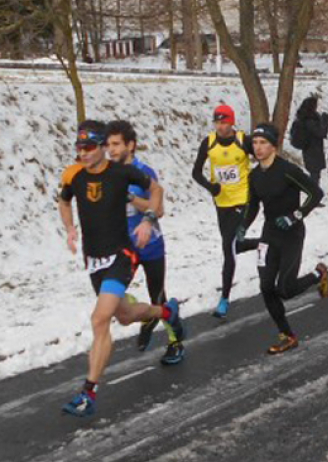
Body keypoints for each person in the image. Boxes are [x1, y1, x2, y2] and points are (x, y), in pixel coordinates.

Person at [59, 120, 185, 417]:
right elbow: (64, 202)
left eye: (89, 147)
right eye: (79, 148)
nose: (83, 153)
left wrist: (148, 219)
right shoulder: (73, 174)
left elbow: (156, 190)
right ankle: (166, 312)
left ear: (102, 147)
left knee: (100, 319)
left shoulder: (122, 173)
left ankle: (88, 393)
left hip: (121, 255)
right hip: (94, 260)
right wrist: (69, 228)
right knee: (125, 316)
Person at [237, 123, 328, 353]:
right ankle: (287, 335)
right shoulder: (255, 175)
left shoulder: (287, 170)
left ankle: (318, 274)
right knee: (267, 287)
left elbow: (315, 193)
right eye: (255, 143)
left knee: (285, 289)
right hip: (269, 234)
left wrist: (294, 216)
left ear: (273, 146)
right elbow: (253, 206)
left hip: (292, 233)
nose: (258, 148)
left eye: (263, 143)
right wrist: (242, 228)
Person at [105, 120, 184, 365]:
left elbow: (158, 210)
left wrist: (129, 196)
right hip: (123, 247)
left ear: (131, 145)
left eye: (116, 144)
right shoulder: (107, 172)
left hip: (150, 246)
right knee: (113, 297)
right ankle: (147, 316)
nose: (111, 150)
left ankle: (175, 342)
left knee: (158, 296)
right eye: (108, 145)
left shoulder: (143, 173)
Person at [191, 104, 260, 318]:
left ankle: (224, 298)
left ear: (232, 122)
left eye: (224, 122)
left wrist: (255, 181)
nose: (221, 127)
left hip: (242, 199)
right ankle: (264, 242)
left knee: (227, 246)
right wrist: (211, 187)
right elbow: (196, 172)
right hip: (221, 203)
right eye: (217, 122)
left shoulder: (243, 141)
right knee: (233, 246)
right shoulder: (209, 143)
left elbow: (263, 157)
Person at [290, 96, 328, 187]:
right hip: (313, 151)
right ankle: (314, 197)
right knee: (315, 176)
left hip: (309, 151)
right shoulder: (310, 120)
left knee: (315, 175)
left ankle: (314, 196)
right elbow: (321, 133)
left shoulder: (305, 117)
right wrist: (325, 122)